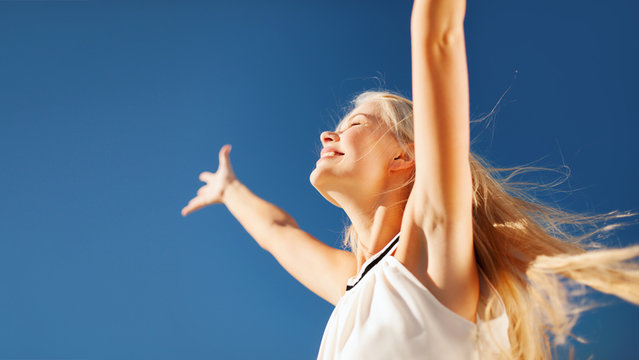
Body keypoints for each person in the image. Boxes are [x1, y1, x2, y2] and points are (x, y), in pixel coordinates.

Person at [181, 0, 639, 359]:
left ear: (405, 156)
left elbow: (438, 40)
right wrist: (230, 191)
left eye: (355, 124)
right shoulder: (354, 284)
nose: (329, 133)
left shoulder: (430, 251)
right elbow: (278, 233)